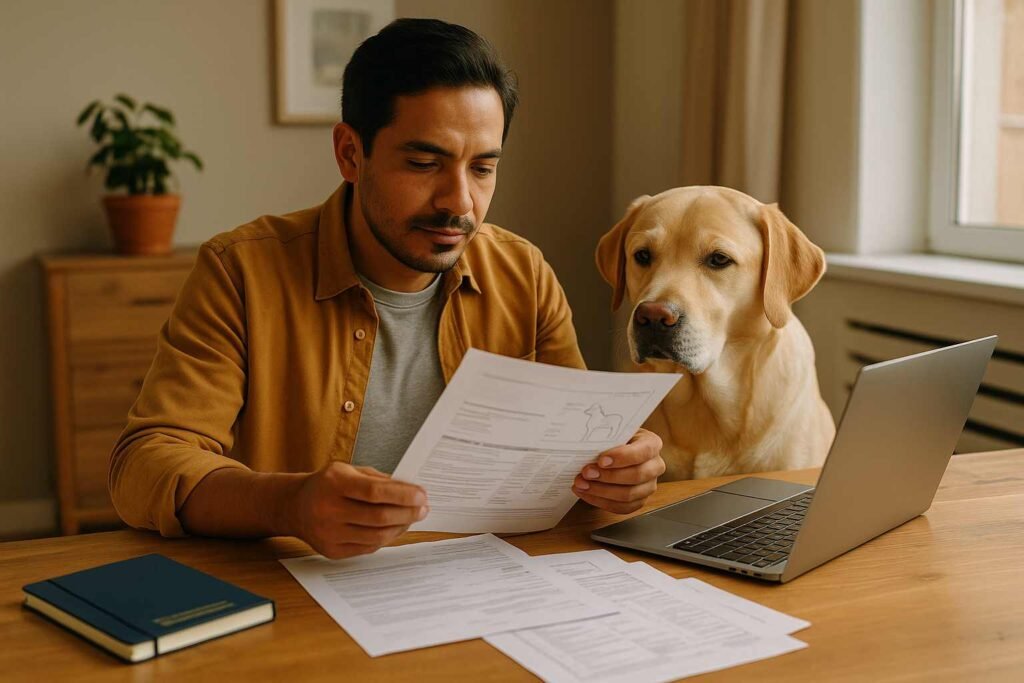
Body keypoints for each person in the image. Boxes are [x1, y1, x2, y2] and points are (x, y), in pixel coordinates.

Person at [109, 18, 665, 559]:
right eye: (424, 163)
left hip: (480, 575)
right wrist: (288, 506)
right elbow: (145, 464)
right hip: (299, 586)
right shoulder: (240, 272)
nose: (460, 202)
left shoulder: (524, 273)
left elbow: (574, 447)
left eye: (482, 169)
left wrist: (620, 469)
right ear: (351, 154)